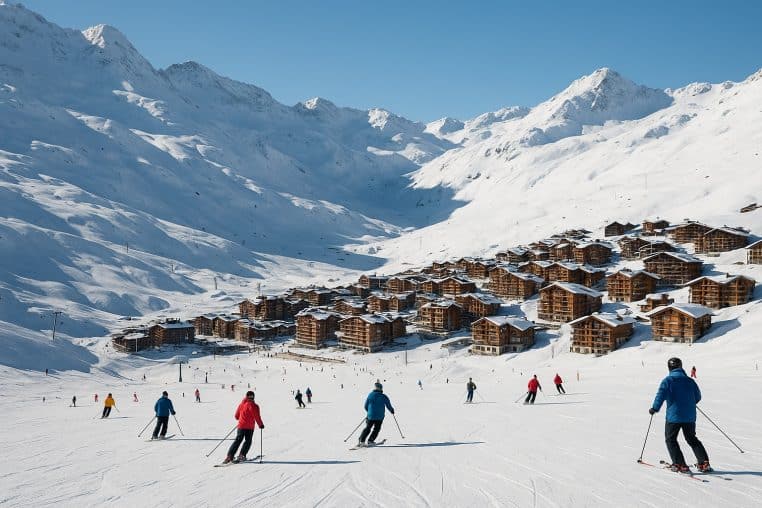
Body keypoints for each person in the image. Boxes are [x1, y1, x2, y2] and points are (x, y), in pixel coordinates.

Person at [650, 357, 711, 473]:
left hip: (674, 417)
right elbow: (698, 397)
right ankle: (704, 463)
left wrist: (654, 408)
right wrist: (689, 402)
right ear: (681, 367)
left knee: (671, 440)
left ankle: (680, 464)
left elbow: (660, 395)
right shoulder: (690, 381)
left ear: (669, 368)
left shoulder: (668, 381)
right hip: (689, 416)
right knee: (692, 438)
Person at [223, 391, 264, 464]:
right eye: (251, 397)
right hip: (249, 427)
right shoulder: (254, 406)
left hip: (241, 426)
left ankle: (230, 456)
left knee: (238, 440)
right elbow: (257, 416)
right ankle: (242, 455)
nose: (251, 398)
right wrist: (260, 424)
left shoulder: (242, 404)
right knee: (248, 441)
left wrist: (242, 418)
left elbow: (236, 416)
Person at [357, 382, 394, 447]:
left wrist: (369, 412)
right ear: (381, 389)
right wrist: (392, 410)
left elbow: (365, 406)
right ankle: (370, 440)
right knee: (376, 429)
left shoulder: (370, 395)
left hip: (371, 416)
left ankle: (362, 440)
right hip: (380, 417)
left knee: (368, 428)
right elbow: (388, 405)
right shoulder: (384, 396)